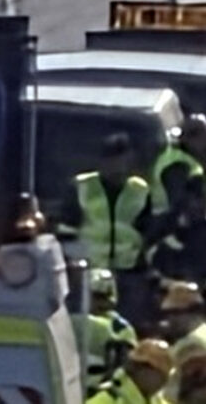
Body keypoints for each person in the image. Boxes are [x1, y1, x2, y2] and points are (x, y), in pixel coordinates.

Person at [68, 133, 156, 326]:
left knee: (127, 326)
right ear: (102, 161)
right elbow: (67, 229)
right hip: (90, 271)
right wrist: (73, 266)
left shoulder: (140, 190)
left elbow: (149, 231)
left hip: (129, 272)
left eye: (122, 160)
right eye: (112, 161)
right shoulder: (82, 186)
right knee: (89, 325)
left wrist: (146, 267)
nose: (117, 167)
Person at [149, 178, 206, 288]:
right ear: (185, 200)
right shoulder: (171, 226)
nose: (200, 204)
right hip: (182, 289)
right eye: (196, 198)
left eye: (203, 198)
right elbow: (159, 260)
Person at [152, 115, 206, 215]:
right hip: (163, 219)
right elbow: (178, 203)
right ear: (190, 138)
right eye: (204, 135)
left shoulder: (180, 156)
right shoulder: (179, 164)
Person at [87, 269, 139, 389]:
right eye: (94, 295)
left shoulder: (121, 328)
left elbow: (125, 367)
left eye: (102, 297)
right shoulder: (72, 320)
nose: (98, 302)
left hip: (102, 387)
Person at [87, 338, 175, 404]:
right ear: (137, 366)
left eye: (165, 374)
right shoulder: (108, 399)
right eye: (158, 372)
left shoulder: (156, 401)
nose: (163, 380)